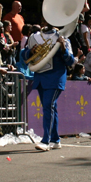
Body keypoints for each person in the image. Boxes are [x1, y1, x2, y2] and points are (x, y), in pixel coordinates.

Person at [26, 22, 75, 151]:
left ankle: (45, 140)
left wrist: (63, 47)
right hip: (40, 76)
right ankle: (55, 139)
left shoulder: (63, 37)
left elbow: (71, 61)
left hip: (55, 76)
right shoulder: (34, 36)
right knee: (50, 107)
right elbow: (23, 55)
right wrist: (30, 51)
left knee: (48, 106)